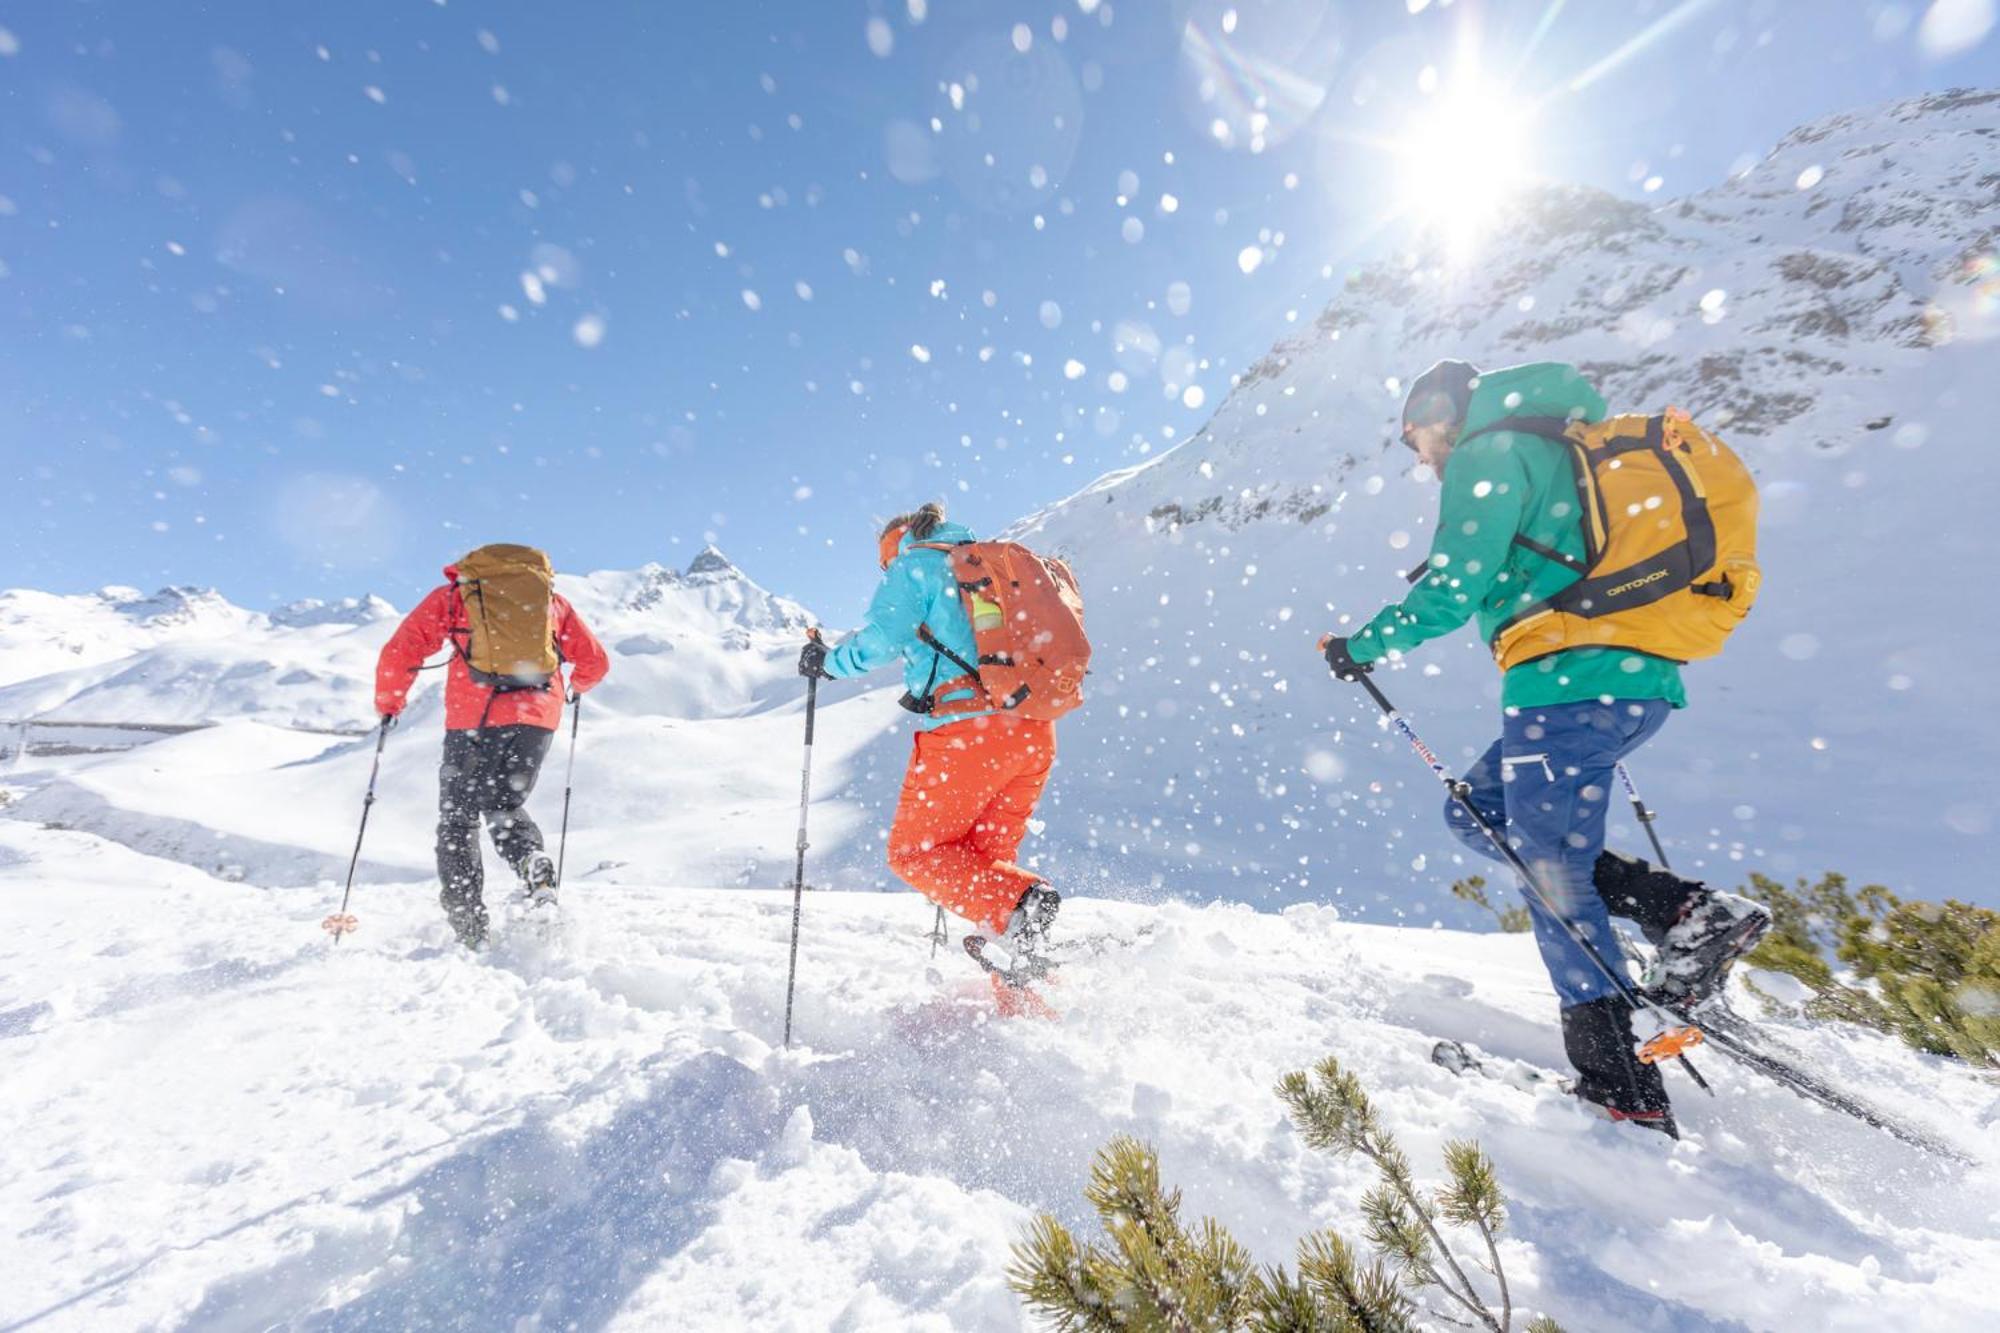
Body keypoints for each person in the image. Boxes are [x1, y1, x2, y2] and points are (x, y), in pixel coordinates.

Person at [1321, 360, 1769, 1137]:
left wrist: (1363, 644)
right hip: (1624, 683)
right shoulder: (1554, 446)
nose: (1418, 453)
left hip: (1567, 687)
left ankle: (1619, 1076)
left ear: (1443, 413)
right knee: (1481, 817)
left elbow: (1454, 587)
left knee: (1546, 866)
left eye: (1416, 431)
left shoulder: (1488, 453)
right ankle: (1681, 913)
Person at [798, 502, 1063, 972]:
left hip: (969, 734)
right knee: (984, 873)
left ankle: (1029, 900)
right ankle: (1024, 1010)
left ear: (892, 546)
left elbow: (881, 639)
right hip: (1033, 731)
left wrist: (828, 663)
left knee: (915, 853)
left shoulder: (914, 564)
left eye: (883, 564)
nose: (885, 571)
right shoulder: (991, 565)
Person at [374, 546, 609, 949]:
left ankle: (470, 929)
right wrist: (576, 687)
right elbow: (595, 662)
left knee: (458, 821)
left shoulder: (456, 596)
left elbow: (404, 649)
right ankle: (529, 859)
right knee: (503, 804)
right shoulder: (552, 602)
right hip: (536, 720)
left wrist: (389, 703)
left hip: (474, 720)